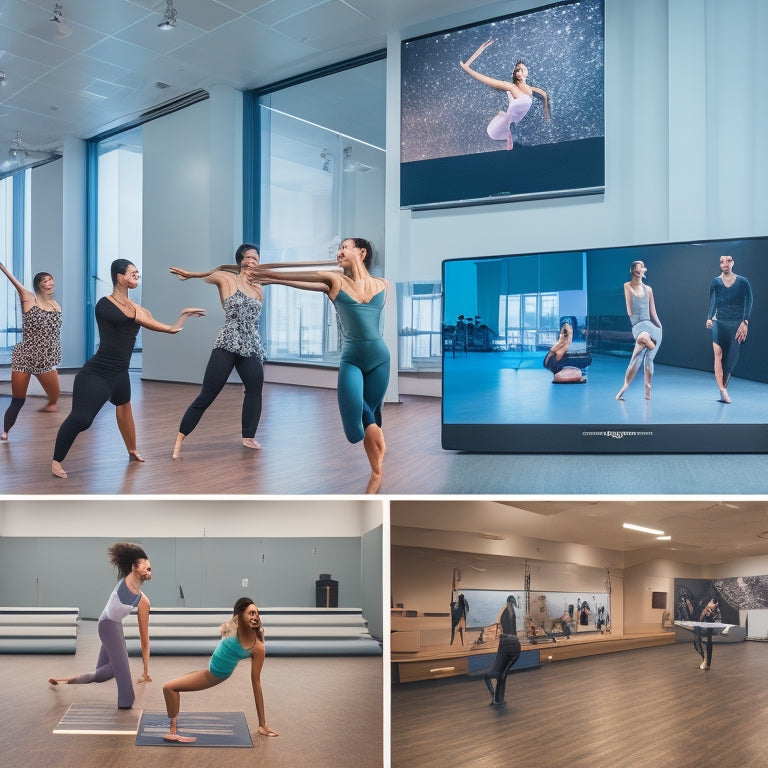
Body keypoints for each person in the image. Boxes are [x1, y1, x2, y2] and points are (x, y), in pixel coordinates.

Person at [249, 238, 389, 494]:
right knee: (354, 429)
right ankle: (378, 458)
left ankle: (376, 473)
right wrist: (270, 276)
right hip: (352, 360)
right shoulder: (335, 281)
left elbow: (312, 276)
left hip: (380, 358)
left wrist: (268, 274)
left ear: (361, 252)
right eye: (338, 249)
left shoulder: (384, 285)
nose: (339, 253)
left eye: (344, 247)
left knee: (370, 414)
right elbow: (305, 279)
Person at [50, 259, 205, 478]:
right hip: (98, 373)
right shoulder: (104, 304)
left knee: (124, 407)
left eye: (137, 273)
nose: (136, 276)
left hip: (120, 372)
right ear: (119, 276)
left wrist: (183, 316)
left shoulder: (137, 309)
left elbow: (170, 329)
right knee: (82, 420)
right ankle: (56, 461)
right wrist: (139, 314)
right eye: (132, 273)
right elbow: (131, 317)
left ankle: (132, 450)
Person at [169, 244, 266, 459]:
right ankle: (179, 439)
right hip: (228, 342)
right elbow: (209, 276)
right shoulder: (226, 279)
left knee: (254, 389)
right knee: (208, 394)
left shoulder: (259, 285)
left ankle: (248, 436)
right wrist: (193, 274)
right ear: (240, 260)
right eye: (250, 257)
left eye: (257, 258)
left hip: (250, 344)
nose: (254, 261)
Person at [48, 542, 152, 708]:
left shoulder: (143, 601)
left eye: (150, 568)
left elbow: (144, 639)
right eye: (145, 566)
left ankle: (67, 681)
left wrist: (146, 671)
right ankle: (124, 705)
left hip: (115, 626)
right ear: (134, 566)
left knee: (105, 673)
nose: (149, 569)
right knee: (128, 695)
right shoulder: (125, 583)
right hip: (107, 626)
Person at [161, 597, 279, 742]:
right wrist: (225, 629)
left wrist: (262, 724)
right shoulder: (232, 626)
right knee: (173, 687)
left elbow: (256, 683)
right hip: (209, 669)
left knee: (169, 688)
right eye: (250, 613)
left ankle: (172, 733)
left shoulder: (258, 648)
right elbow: (227, 628)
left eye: (256, 613)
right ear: (240, 616)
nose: (255, 617)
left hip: (214, 675)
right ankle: (173, 725)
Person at [0, 262, 62, 440]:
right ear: (38, 285)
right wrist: (2, 267)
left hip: (46, 360)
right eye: (45, 281)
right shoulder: (28, 299)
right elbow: (14, 282)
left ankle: (50, 404)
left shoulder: (55, 305)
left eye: (51, 280)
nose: (50, 283)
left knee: (55, 396)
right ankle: (5, 432)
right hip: (24, 357)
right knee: (18, 399)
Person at [460, 39, 550, 150]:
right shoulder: (511, 87)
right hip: (508, 123)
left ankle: (513, 129)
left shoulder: (532, 90)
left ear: (527, 72)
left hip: (517, 122)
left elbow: (544, 96)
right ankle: (510, 130)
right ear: (516, 74)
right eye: (518, 70)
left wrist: (547, 118)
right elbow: (481, 77)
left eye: (523, 69)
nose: (521, 71)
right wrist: (480, 50)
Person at [706, 254, 752, 403]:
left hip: (736, 324)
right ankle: (722, 390)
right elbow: (713, 300)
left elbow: (749, 300)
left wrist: (745, 322)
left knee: (731, 359)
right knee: (718, 353)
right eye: (721, 262)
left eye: (728, 261)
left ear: (733, 263)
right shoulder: (716, 282)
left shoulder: (742, 281)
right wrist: (709, 317)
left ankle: (723, 386)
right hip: (718, 322)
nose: (725, 264)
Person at [616, 261, 662, 401]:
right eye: (640, 268)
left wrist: (660, 327)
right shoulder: (627, 286)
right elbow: (630, 311)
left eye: (643, 267)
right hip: (638, 327)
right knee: (640, 344)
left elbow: (652, 311)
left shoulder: (648, 289)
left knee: (645, 359)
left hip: (651, 326)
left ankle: (646, 391)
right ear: (634, 271)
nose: (643, 269)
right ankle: (625, 386)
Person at [483, 596, 521, 705]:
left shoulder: (505, 611)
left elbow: (503, 628)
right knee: (503, 673)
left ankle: (496, 697)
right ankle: (498, 698)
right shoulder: (512, 611)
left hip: (506, 642)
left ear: (507, 602)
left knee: (495, 673)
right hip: (515, 644)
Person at [693, 599, 721, 670]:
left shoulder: (714, 611)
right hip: (699, 631)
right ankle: (704, 658)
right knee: (697, 644)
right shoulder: (701, 608)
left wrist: (709, 616)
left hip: (708, 632)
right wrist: (703, 613)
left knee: (708, 644)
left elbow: (716, 621)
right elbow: (698, 619)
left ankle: (707, 662)